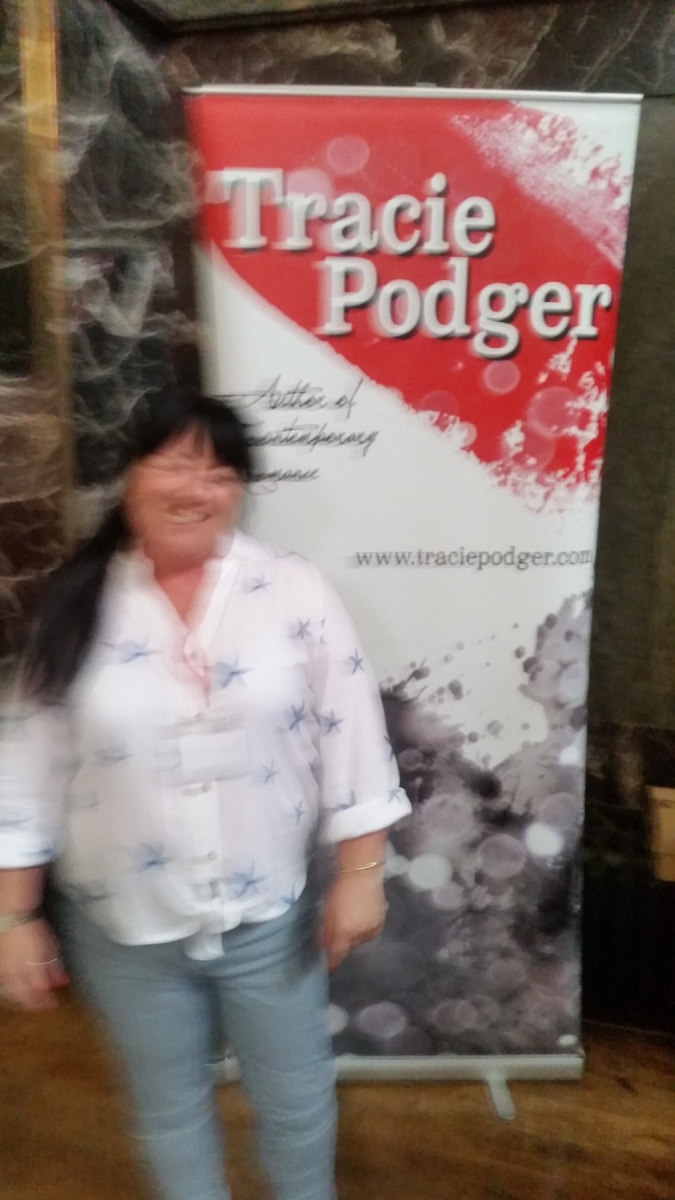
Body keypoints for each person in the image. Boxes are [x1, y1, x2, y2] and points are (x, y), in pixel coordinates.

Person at [0, 388, 411, 1200]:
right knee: (167, 1106)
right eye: (175, 465)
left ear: (240, 492)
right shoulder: (74, 603)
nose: (196, 490)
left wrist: (361, 874)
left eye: (221, 475)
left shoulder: (290, 589)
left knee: (295, 1100)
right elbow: (25, 769)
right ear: (130, 474)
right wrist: (14, 917)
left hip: (267, 918)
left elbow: (351, 730)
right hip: (123, 925)